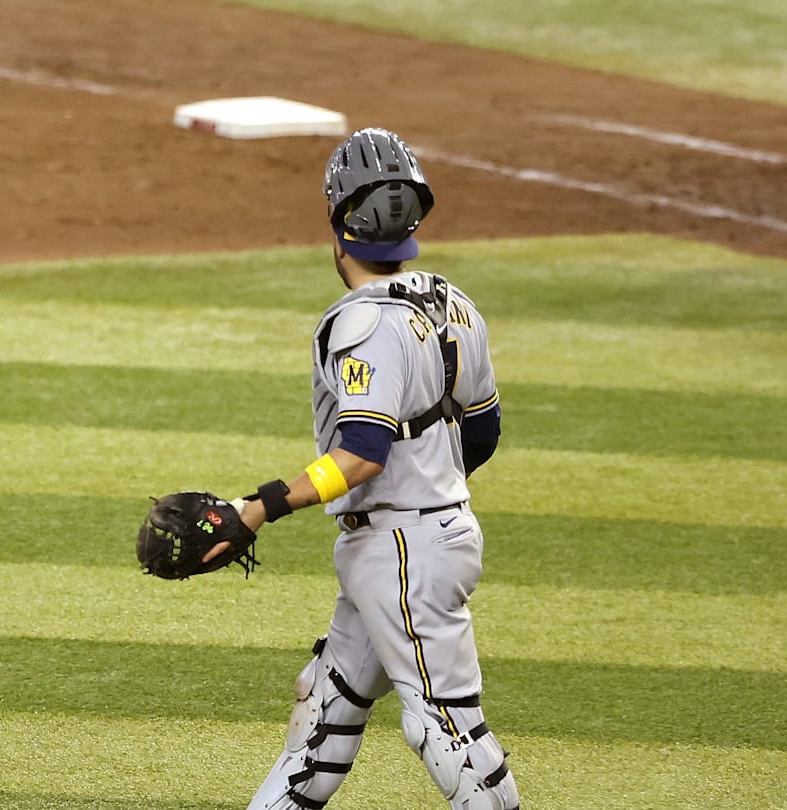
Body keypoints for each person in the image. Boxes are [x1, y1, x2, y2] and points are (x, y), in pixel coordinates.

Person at [212, 128, 520, 810]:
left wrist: (260, 505)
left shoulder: (360, 324)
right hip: (425, 540)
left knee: (450, 731)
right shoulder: (455, 304)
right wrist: (433, 486)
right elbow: (485, 431)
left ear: (338, 222)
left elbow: (359, 454)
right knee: (327, 709)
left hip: (402, 553)